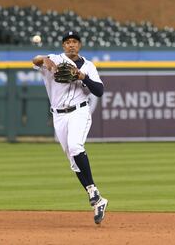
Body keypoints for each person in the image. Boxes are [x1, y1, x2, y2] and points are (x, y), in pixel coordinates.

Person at [32, 31, 108, 225]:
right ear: (63, 45)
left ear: (80, 45)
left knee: (75, 147)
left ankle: (92, 191)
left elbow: (99, 91)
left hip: (79, 112)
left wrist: (82, 76)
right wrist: (46, 62)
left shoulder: (89, 66)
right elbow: (36, 60)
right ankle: (97, 199)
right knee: (74, 163)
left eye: (74, 42)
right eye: (67, 42)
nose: (71, 45)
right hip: (59, 116)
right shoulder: (55, 59)